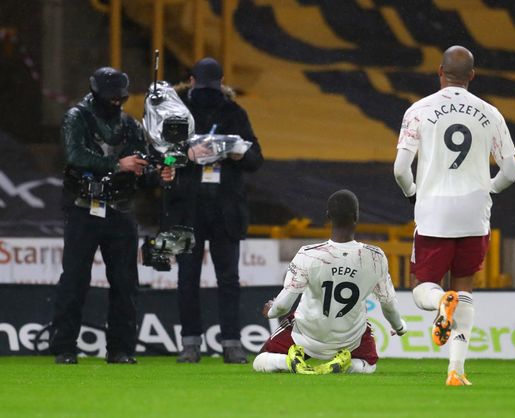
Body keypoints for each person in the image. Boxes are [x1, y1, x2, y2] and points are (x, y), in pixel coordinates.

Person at [393, 46, 515, 385]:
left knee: (422, 289)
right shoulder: (490, 113)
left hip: (434, 212)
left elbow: (401, 169)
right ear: (472, 76)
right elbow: (510, 172)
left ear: (440, 71)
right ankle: (456, 371)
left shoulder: (418, 111)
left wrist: (413, 194)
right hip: (474, 214)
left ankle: (439, 300)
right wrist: (487, 189)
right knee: (465, 290)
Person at [50, 67, 174, 364]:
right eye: (111, 98)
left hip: (120, 209)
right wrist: (119, 164)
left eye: (121, 98)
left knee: (125, 281)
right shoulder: (77, 117)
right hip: (83, 207)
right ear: (96, 94)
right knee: (75, 279)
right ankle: (65, 347)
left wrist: (159, 175)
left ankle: (121, 349)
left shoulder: (130, 126)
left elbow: (141, 172)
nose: (116, 103)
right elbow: (75, 156)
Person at [253, 190, 407, 374]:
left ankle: (290, 362)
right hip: (350, 340)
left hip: (307, 335)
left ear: (328, 217)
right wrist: (399, 326)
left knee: (261, 360)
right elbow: (388, 304)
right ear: (356, 217)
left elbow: (283, 306)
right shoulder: (375, 257)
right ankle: (344, 364)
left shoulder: (308, 254)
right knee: (369, 365)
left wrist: (270, 311)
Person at [173, 57, 264, 364]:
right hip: (189, 207)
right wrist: (186, 154)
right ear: (191, 80)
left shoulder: (235, 113)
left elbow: (256, 159)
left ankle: (231, 342)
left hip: (225, 209)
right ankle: (191, 343)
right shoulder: (177, 114)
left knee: (228, 279)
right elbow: (162, 158)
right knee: (188, 277)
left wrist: (239, 153)